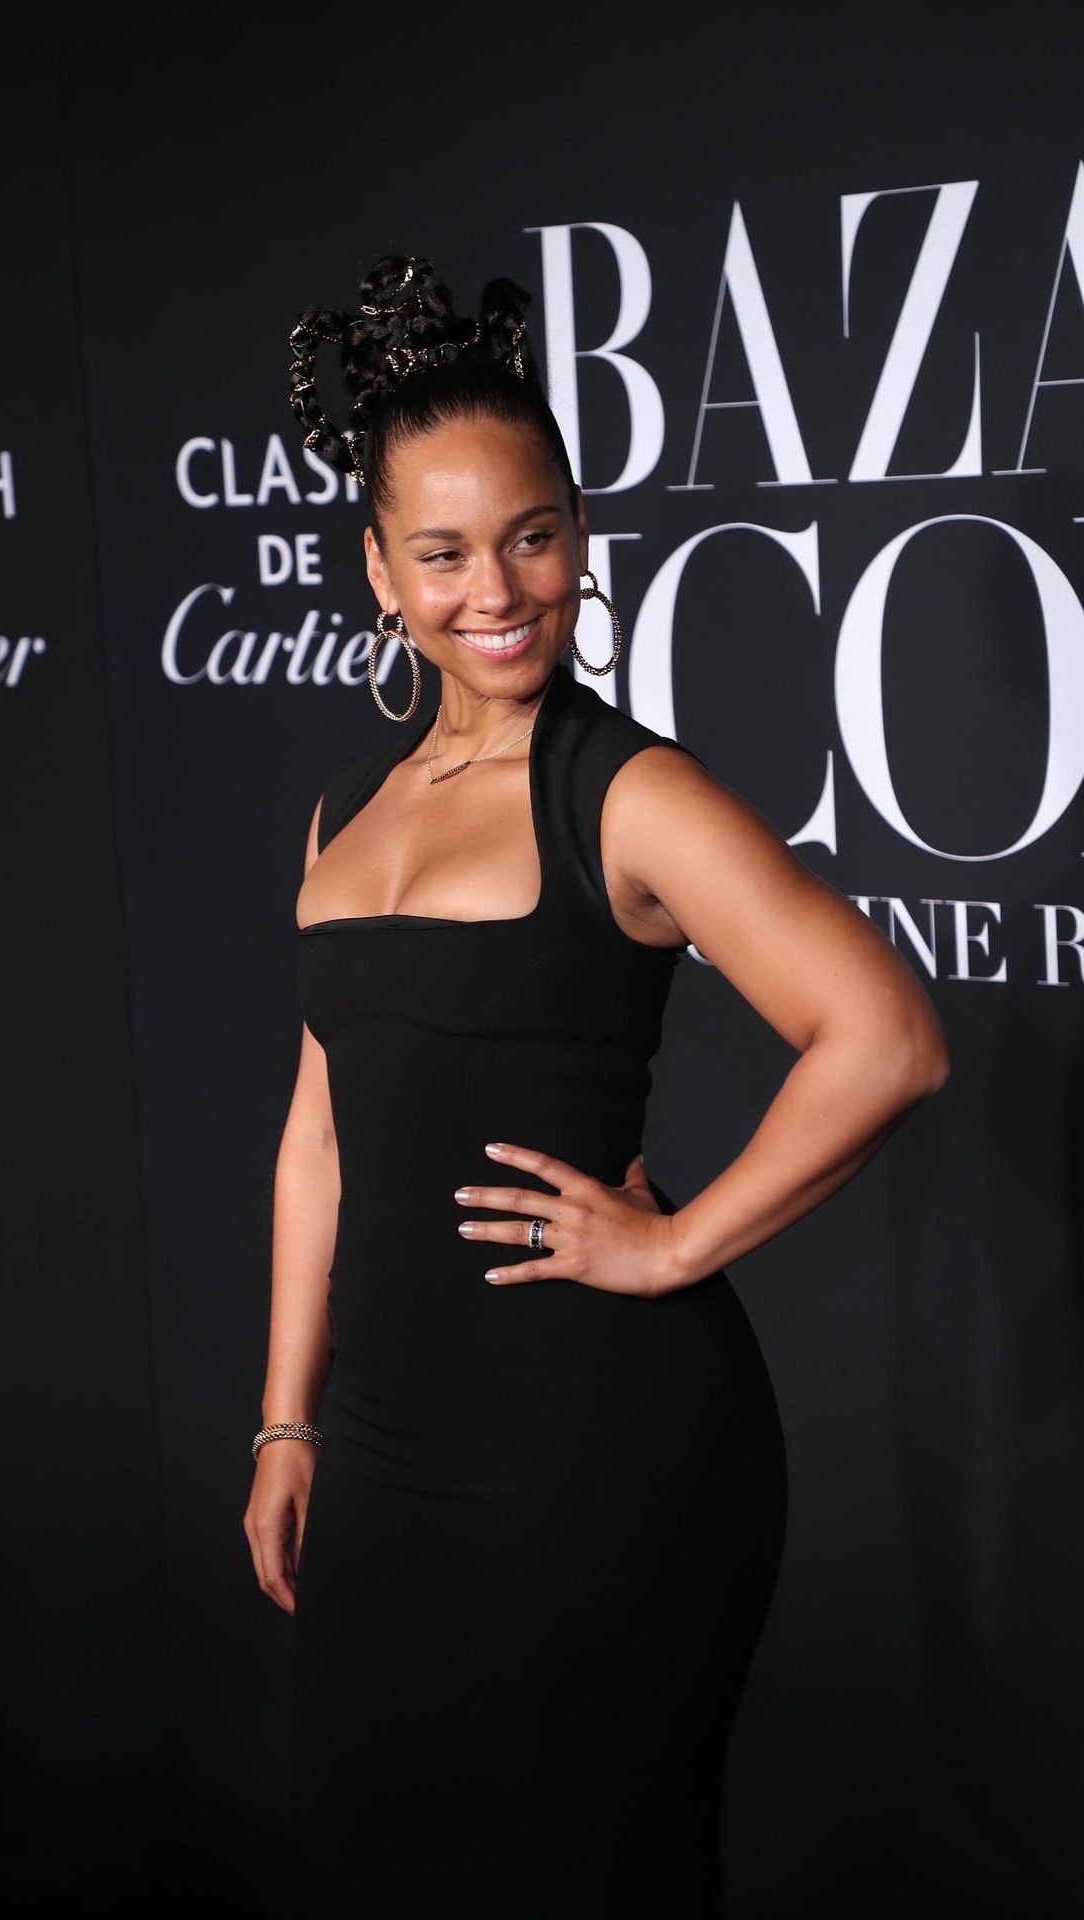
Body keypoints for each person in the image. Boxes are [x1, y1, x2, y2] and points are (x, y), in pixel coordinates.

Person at [244, 253, 950, 1919]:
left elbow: (889, 1040)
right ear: (378, 570)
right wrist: (285, 1420)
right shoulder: (346, 807)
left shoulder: (628, 793)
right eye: (443, 552)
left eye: (535, 536)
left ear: (578, 536)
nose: (497, 590)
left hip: (598, 1461)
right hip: (386, 1450)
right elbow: (318, 1138)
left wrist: (675, 1243)